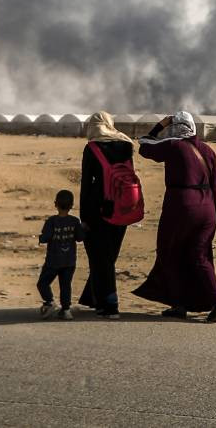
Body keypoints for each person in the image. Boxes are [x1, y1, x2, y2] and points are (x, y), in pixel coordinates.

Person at [133, 111, 216, 323]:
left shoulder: (173, 146)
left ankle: (179, 304)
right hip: (208, 209)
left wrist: (160, 126)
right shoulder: (208, 150)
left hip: (182, 206)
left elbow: (144, 145)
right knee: (200, 255)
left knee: (169, 252)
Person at [77, 111, 135, 319]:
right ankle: (95, 298)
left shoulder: (91, 148)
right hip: (123, 205)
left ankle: (110, 304)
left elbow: (86, 184)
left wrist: (84, 217)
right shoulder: (126, 145)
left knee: (100, 258)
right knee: (108, 256)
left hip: (98, 209)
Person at [36, 189, 85, 320]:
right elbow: (80, 238)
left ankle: (49, 302)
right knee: (65, 285)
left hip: (53, 260)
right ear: (72, 205)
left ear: (55, 204)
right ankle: (66, 309)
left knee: (42, 283)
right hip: (69, 261)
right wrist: (83, 228)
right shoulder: (75, 221)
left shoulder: (51, 221)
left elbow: (45, 238)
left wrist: (40, 238)